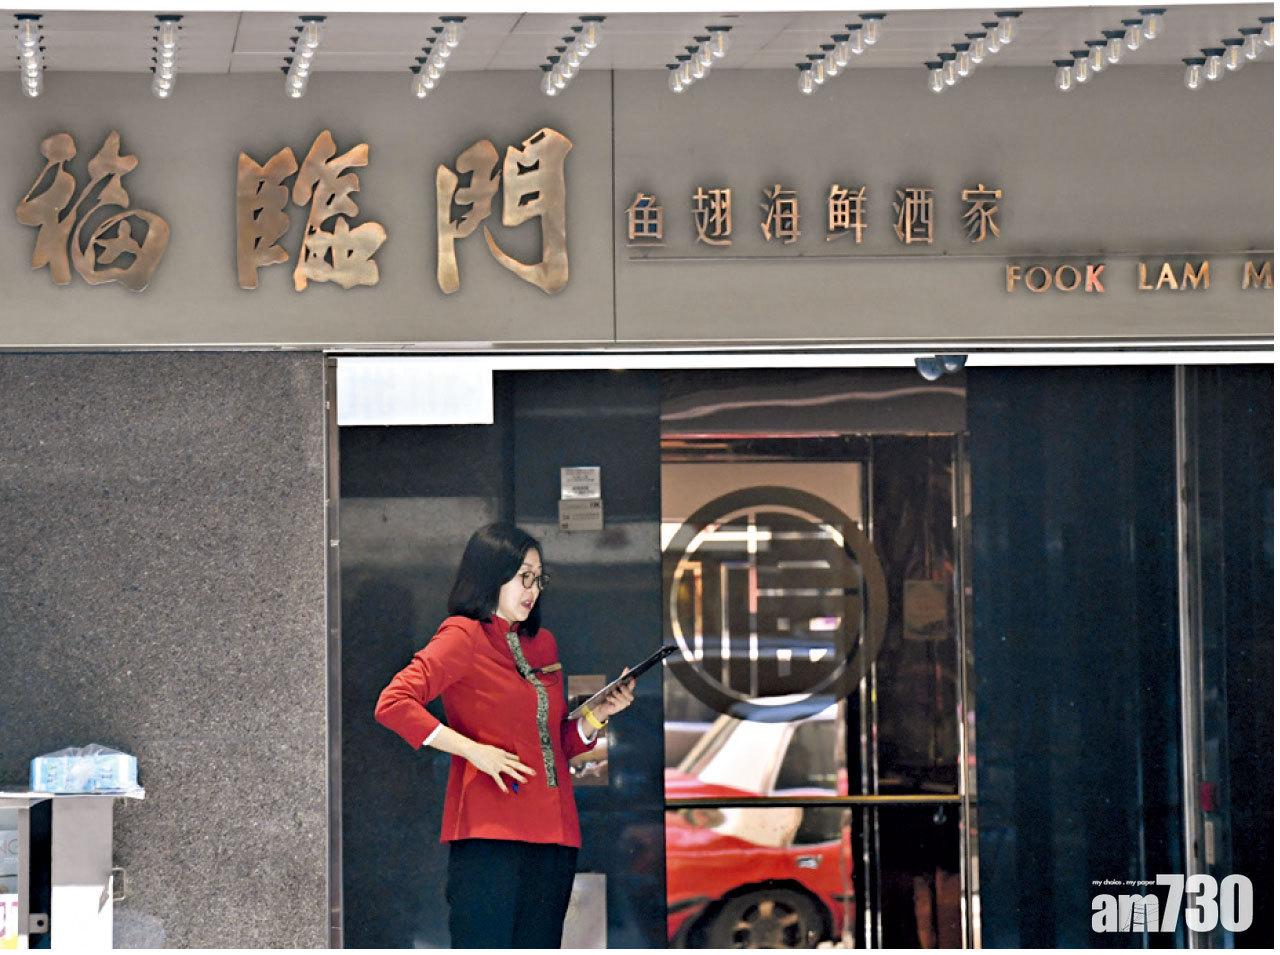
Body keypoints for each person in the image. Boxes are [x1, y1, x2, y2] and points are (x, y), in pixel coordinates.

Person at [374, 522, 636, 948]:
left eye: (539, 578)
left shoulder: (543, 644)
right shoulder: (462, 636)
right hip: (490, 834)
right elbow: (393, 703)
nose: (532, 590)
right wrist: (473, 751)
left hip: (555, 835)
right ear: (490, 576)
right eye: (523, 577)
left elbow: (553, 745)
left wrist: (598, 714)